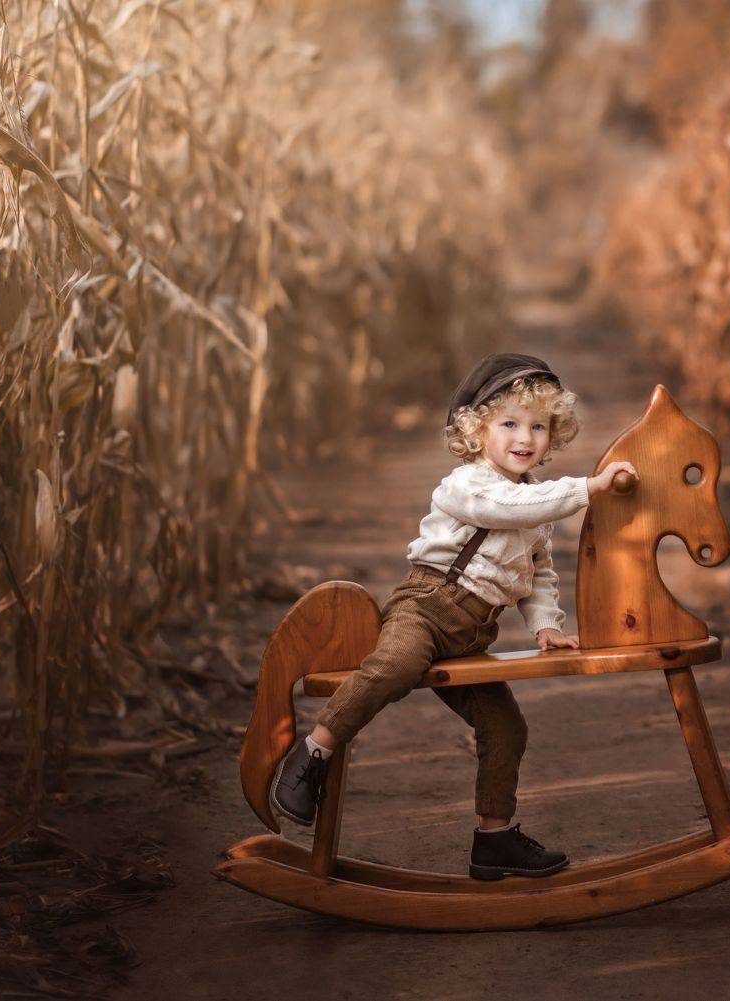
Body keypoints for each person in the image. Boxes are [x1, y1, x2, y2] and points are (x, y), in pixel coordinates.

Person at [268, 352, 635, 880]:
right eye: (508, 423)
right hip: (426, 606)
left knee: (507, 726)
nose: (524, 437)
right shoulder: (468, 485)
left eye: (538, 426)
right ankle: (312, 753)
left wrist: (546, 625)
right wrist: (587, 489)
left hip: (471, 632)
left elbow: (538, 576)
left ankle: (493, 838)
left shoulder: (535, 502)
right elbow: (505, 511)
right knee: (393, 666)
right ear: (476, 430)